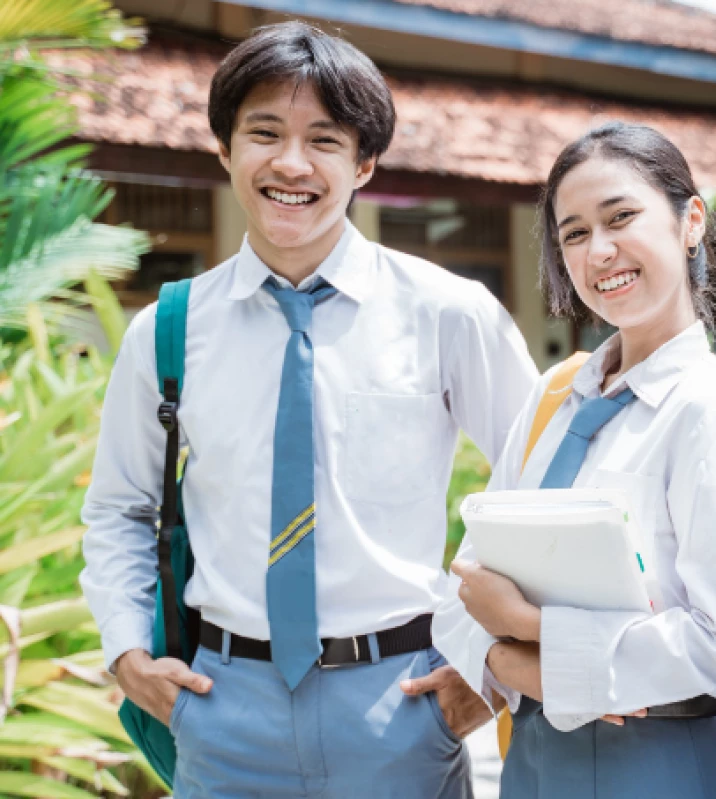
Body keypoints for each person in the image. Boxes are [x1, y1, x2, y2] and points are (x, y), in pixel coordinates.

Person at [80, 21, 538, 798]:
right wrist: (127, 651)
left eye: (324, 140)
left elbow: (541, 487)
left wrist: (488, 669)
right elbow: (120, 507)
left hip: (401, 702)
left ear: (364, 163)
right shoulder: (168, 328)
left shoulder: (448, 312)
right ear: (224, 149)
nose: (291, 164)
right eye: (264, 132)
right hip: (221, 705)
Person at [426, 121, 716, 798]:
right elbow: (462, 593)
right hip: (533, 764)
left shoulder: (709, 414)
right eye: (575, 233)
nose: (600, 251)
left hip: (663, 764)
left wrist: (531, 634)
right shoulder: (553, 398)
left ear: (690, 221)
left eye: (621, 217)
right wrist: (518, 660)